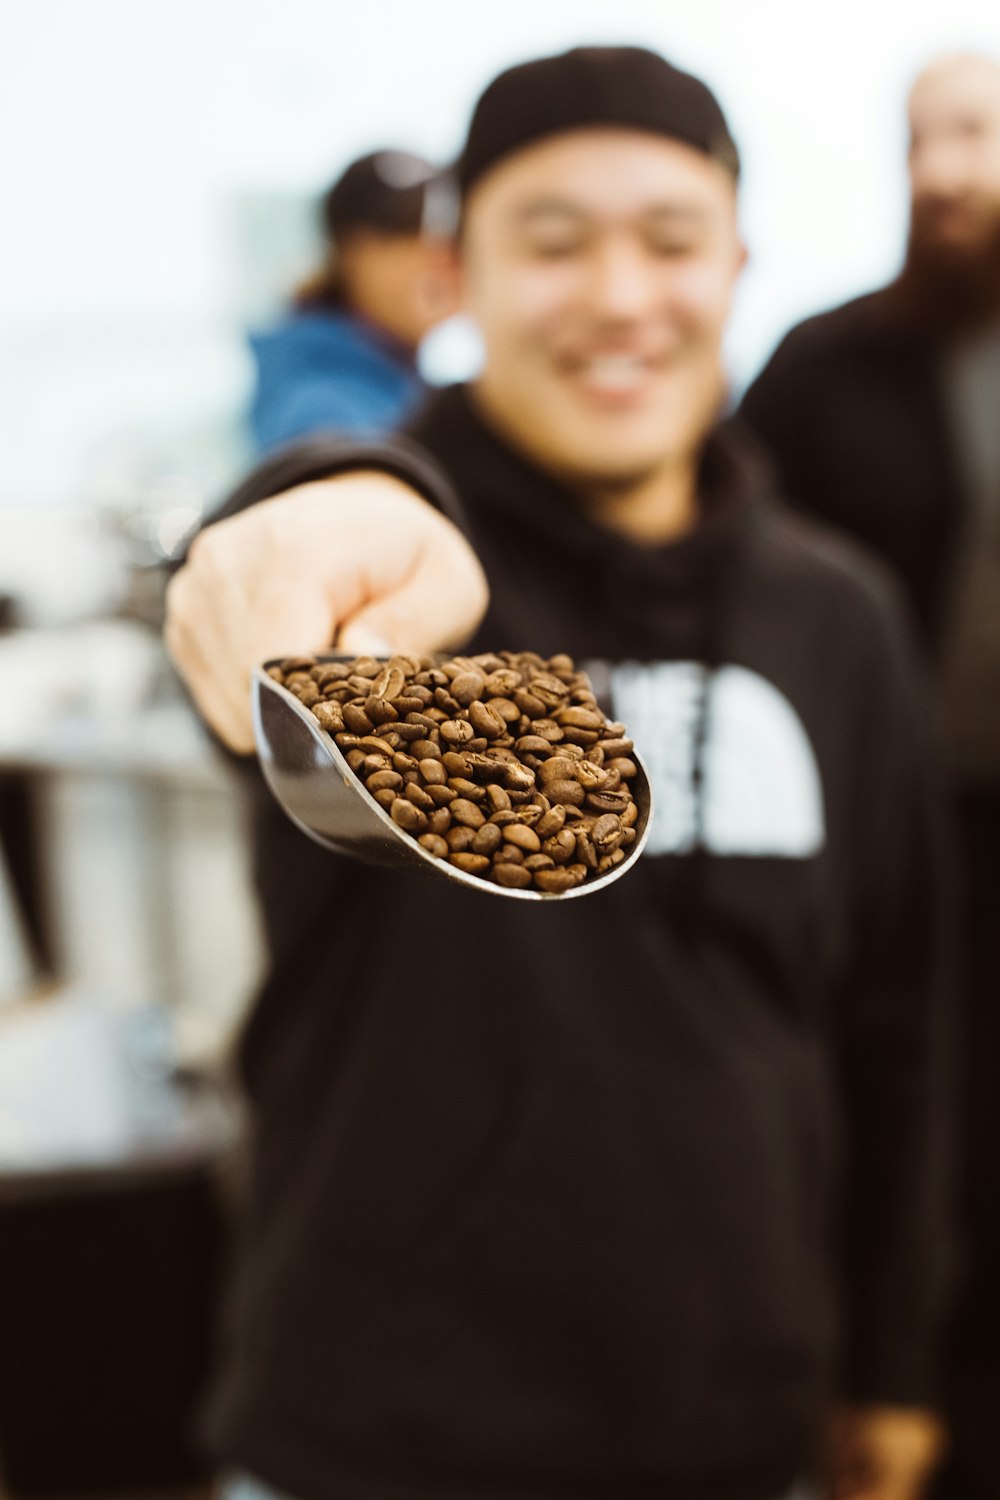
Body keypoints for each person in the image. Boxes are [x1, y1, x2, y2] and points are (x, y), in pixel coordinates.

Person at [167, 47, 953, 1500]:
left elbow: (899, 1018)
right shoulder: (402, 571)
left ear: (737, 264)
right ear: (451, 272)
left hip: (742, 1427)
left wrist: (895, 1361)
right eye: (553, 239)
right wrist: (296, 529)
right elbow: (318, 523)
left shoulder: (836, 613)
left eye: (670, 240)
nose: (618, 296)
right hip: (365, 1434)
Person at [740, 53, 1000, 1500]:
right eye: (921, 140)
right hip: (885, 842)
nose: (941, 170)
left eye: (973, 134)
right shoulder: (828, 363)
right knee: (904, 1137)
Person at [248, 149, 457, 452]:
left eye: (448, 238)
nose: (434, 258)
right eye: (404, 236)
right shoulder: (322, 411)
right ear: (350, 255)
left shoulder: (398, 381)